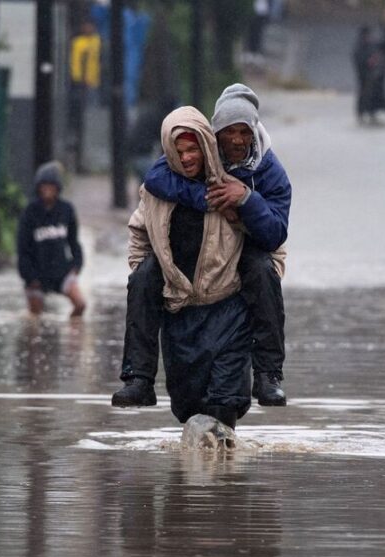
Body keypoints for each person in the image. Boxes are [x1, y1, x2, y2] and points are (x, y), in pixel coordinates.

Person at [114, 83, 290, 408]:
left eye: (244, 132)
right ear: (214, 134)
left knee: (262, 271)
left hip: (241, 260)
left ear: (253, 131)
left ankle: (268, 375)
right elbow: (155, 179)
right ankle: (138, 377)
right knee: (142, 279)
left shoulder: (270, 171)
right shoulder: (197, 152)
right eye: (228, 132)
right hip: (187, 276)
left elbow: (275, 234)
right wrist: (207, 198)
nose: (237, 140)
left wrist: (246, 199)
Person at [121, 106, 254, 429]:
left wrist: (243, 206)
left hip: (228, 308)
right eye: (178, 151)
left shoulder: (235, 184)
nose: (187, 158)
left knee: (224, 405)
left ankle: (268, 376)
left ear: (206, 146)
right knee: (188, 407)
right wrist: (146, 276)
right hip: (180, 308)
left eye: (193, 149)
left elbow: (270, 239)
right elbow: (139, 232)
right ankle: (138, 379)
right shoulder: (157, 190)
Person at [16, 161, 87, 316]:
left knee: (81, 304)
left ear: (57, 188)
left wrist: (76, 266)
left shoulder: (66, 210)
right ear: (38, 188)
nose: (47, 190)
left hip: (61, 271)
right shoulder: (29, 212)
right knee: (35, 319)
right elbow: (22, 249)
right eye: (44, 186)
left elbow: (74, 242)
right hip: (36, 274)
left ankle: (72, 334)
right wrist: (30, 276)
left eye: (51, 186)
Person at [69, 21, 101, 173]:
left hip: (93, 81)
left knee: (91, 112)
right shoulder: (79, 43)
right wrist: (78, 79)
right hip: (82, 83)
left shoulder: (95, 41)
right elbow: (76, 62)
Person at [352, 24, 385, 125]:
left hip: (373, 76)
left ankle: (372, 115)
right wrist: (368, 62)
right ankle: (361, 115)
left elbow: (384, 47)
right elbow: (359, 60)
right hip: (364, 76)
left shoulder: (373, 45)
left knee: (373, 96)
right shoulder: (359, 46)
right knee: (363, 95)